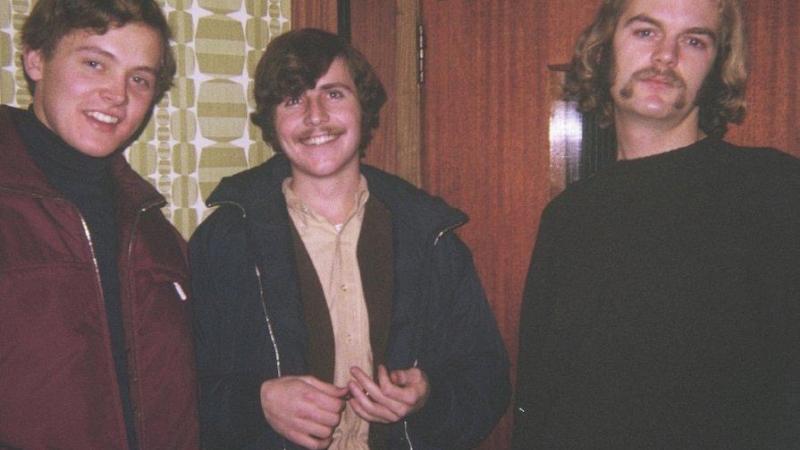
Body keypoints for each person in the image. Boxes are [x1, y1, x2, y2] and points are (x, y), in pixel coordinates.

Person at [190, 28, 510, 450]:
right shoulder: (225, 241)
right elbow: (179, 389)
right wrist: (258, 402)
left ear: (364, 108)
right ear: (272, 123)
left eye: (334, 94)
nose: (315, 115)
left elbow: (486, 380)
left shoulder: (431, 236)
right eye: (292, 99)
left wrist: (427, 396)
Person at [513, 0, 799, 448]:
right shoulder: (568, 217)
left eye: (693, 40)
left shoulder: (775, 191)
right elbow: (539, 395)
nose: (666, 56)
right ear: (605, 48)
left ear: (717, 65)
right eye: (646, 32)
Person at [0, 1, 199, 448]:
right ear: (36, 58)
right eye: (94, 63)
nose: (118, 94)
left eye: (139, 79)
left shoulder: (154, 231)